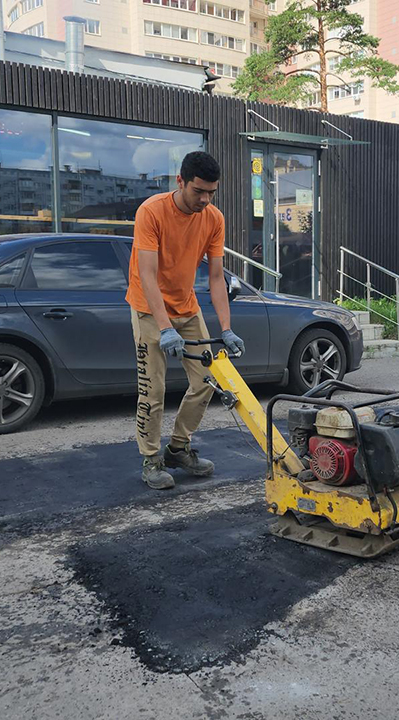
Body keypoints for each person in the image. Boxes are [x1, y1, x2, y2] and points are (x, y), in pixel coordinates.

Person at [125, 151, 244, 490]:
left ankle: (178, 448)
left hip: (186, 307)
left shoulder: (213, 219)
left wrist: (226, 328)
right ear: (180, 181)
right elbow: (147, 275)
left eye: (211, 193)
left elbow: (217, 277)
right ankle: (151, 459)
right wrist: (164, 327)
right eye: (198, 191)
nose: (205, 200)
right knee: (153, 389)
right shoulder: (151, 211)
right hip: (148, 308)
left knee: (207, 379)